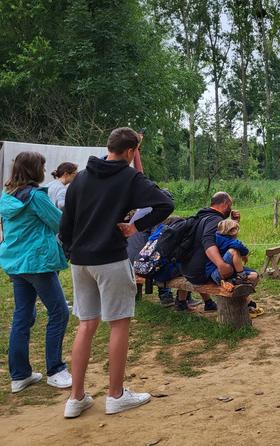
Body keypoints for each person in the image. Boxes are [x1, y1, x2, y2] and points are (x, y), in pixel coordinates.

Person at [60, 127, 174, 418]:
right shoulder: (129, 177)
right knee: (119, 324)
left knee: (86, 325)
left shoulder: (81, 178)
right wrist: (134, 227)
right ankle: (116, 395)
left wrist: (73, 252)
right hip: (110, 259)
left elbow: (65, 227)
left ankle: (76, 398)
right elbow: (165, 203)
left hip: (80, 262)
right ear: (130, 152)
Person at [0, 152, 72, 394]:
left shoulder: (7, 194)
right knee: (59, 312)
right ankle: (55, 369)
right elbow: (59, 223)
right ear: (34, 170)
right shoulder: (34, 197)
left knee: (23, 315)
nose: (44, 169)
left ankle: (20, 375)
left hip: (16, 263)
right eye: (42, 165)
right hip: (37, 263)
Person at [176, 192, 240, 312]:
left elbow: (224, 240)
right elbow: (209, 243)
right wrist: (221, 265)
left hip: (186, 270)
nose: (230, 209)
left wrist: (234, 222)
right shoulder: (215, 220)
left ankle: (204, 302)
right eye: (230, 205)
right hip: (199, 274)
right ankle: (243, 305)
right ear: (225, 203)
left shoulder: (201, 217)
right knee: (240, 273)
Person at [206, 219, 261, 313]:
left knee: (255, 276)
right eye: (236, 230)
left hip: (229, 272)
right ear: (232, 231)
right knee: (234, 251)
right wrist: (244, 254)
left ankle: (240, 291)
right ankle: (241, 275)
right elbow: (241, 248)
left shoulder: (226, 239)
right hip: (217, 272)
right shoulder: (220, 238)